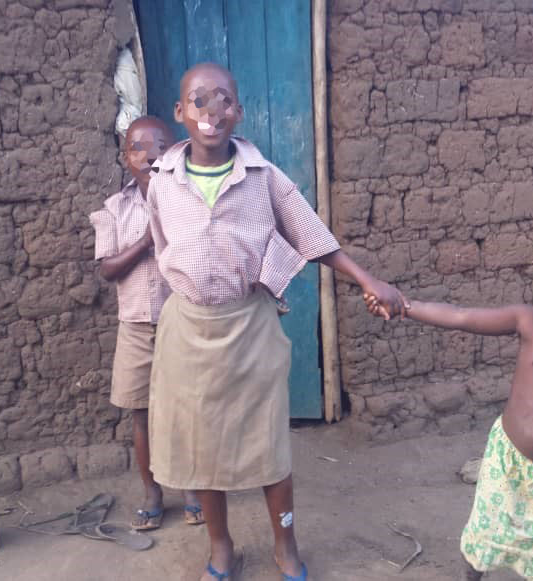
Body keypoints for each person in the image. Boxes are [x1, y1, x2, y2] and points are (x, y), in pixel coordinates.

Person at [145, 62, 405, 581]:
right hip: (188, 330)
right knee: (202, 449)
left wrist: (366, 278)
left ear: (238, 111)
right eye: (198, 99)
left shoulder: (262, 177)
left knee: (268, 443)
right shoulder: (163, 182)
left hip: (250, 326)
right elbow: (161, 246)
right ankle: (221, 548)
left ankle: (285, 545)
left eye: (223, 99)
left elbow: (311, 234)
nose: (211, 110)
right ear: (179, 112)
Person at [366, 232, 533, 581]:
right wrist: (406, 306)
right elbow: (462, 317)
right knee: (487, 530)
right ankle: (474, 574)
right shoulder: (528, 322)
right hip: (508, 460)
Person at [89, 116, 203, 531]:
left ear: (174, 155)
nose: (150, 156)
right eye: (138, 147)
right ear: (125, 157)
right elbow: (108, 269)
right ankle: (152, 493)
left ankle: (192, 490)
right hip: (136, 326)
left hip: (182, 323)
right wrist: (146, 241)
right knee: (141, 414)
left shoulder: (189, 201)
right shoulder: (114, 210)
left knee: (186, 411)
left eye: (160, 147)